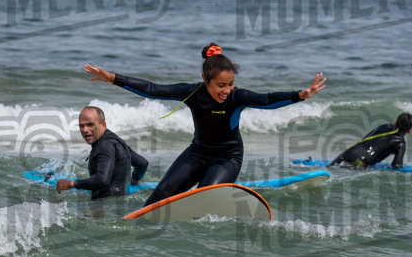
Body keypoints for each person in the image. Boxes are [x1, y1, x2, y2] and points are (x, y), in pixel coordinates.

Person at [85, 43, 326, 206]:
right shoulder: (192, 93)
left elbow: (267, 99)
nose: (227, 90)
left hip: (227, 159)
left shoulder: (236, 97)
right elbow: (151, 88)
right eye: (221, 85)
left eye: (230, 84)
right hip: (197, 153)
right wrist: (112, 78)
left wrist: (301, 95)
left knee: (204, 196)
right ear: (205, 80)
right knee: (157, 199)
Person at [56, 106, 148, 200]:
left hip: (104, 208)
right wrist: (135, 179)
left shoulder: (104, 146)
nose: (85, 130)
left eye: (90, 124)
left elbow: (102, 179)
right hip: (119, 204)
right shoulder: (116, 142)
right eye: (81, 126)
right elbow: (142, 163)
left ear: (103, 125)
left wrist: (72, 184)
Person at [328, 113, 412, 170]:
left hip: (350, 152)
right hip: (363, 162)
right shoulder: (401, 144)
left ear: (395, 123)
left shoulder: (385, 126)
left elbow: (365, 139)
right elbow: (397, 166)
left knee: (328, 168)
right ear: (410, 131)